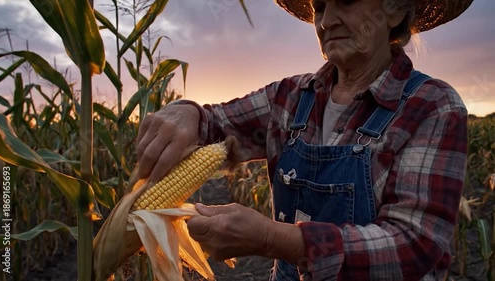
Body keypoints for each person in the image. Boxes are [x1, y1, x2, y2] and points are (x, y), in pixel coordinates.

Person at [135, 0, 473, 279]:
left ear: (395, 10)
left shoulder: (433, 106)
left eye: (345, 2)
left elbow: (414, 244)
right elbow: (214, 124)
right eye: (320, 7)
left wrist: (273, 239)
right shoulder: (291, 96)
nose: (326, 21)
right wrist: (188, 112)